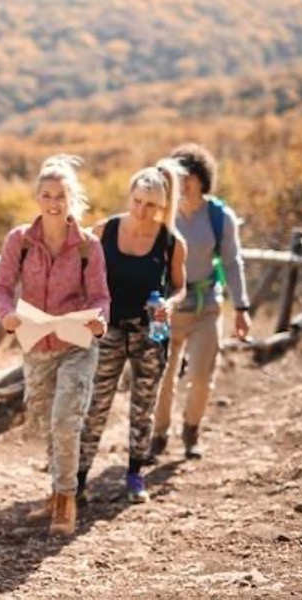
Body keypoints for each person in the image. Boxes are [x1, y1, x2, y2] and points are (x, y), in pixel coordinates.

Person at [0, 155, 110, 536]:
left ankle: (66, 502)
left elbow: (100, 296)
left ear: (72, 197)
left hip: (76, 344)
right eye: (46, 195)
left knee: (65, 420)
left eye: (61, 195)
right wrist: (6, 314)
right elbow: (2, 287)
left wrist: (100, 318)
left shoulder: (88, 246)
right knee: (46, 422)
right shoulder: (20, 240)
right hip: (35, 344)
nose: (54, 202)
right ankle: (54, 494)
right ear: (37, 198)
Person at [77, 161, 188, 505]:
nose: (142, 210)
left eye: (151, 205)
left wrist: (170, 304)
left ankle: (135, 475)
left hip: (149, 334)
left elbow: (181, 288)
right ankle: (78, 480)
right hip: (107, 332)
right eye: (137, 201)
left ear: (162, 207)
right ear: (130, 196)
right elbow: (83, 274)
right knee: (95, 405)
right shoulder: (104, 230)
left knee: (143, 406)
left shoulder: (171, 242)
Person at [151, 144, 251, 461]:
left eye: (189, 176)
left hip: (206, 304)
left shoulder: (220, 217)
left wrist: (241, 308)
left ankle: (191, 430)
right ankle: (158, 434)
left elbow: (233, 262)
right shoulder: (160, 214)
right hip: (167, 307)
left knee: (201, 375)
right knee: (162, 377)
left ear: (201, 179)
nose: (184, 183)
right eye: (178, 176)